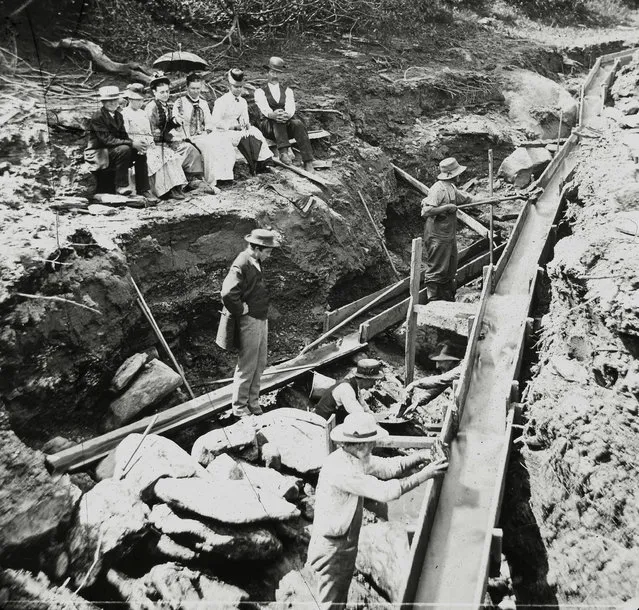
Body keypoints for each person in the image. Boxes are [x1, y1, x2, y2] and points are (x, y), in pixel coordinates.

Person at [307, 412, 449, 609]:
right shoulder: (341, 469)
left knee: (339, 599)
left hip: (345, 542)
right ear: (359, 444)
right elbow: (385, 492)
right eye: (371, 442)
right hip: (332, 548)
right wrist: (424, 475)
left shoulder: (356, 458)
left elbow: (389, 467)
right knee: (330, 604)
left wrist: (421, 456)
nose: (374, 445)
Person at [221, 229, 280, 418]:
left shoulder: (256, 261)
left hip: (261, 319)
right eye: (267, 251)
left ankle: (253, 402)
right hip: (250, 321)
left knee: (260, 362)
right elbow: (227, 293)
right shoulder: (242, 263)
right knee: (247, 364)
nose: (269, 255)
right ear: (256, 248)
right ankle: (239, 407)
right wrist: (241, 309)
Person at [421, 157, 475, 301]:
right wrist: (446, 207)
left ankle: (446, 297)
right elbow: (426, 211)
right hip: (437, 235)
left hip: (448, 234)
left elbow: (466, 199)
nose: (460, 176)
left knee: (450, 267)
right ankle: (432, 299)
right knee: (437, 266)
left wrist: (490, 198)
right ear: (451, 175)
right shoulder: (437, 189)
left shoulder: (451, 187)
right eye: (458, 174)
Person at [121, 85, 186, 201]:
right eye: (137, 100)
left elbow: (148, 131)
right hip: (135, 145)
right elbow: (124, 134)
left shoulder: (142, 113)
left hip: (148, 144)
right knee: (156, 158)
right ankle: (163, 190)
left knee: (169, 155)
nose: (140, 102)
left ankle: (174, 187)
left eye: (141, 100)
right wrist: (136, 142)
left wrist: (151, 142)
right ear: (130, 100)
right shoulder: (125, 113)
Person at [145, 73, 207, 193]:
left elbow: (168, 123)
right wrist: (167, 137)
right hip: (156, 143)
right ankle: (174, 186)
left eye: (167, 91)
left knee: (190, 148)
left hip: (168, 140)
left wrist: (175, 121)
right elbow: (151, 129)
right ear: (154, 92)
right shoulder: (151, 107)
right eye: (162, 92)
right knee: (169, 156)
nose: (165, 95)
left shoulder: (167, 106)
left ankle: (192, 179)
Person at [87, 85, 151, 198]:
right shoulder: (98, 117)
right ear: (103, 102)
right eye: (108, 101)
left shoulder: (118, 116)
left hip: (114, 150)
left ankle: (143, 189)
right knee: (125, 149)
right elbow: (107, 140)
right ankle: (121, 186)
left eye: (114, 100)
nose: (112, 103)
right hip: (99, 152)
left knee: (140, 152)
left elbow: (124, 136)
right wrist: (131, 144)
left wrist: (136, 144)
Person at [173, 72, 235, 189]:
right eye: (193, 88)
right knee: (208, 147)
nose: (196, 91)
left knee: (224, 142)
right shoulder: (180, 102)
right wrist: (178, 117)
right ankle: (210, 181)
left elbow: (209, 122)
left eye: (198, 88)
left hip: (202, 134)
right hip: (187, 135)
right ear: (187, 88)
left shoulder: (203, 103)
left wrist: (207, 130)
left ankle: (225, 176)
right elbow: (175, 122)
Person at [254, 56, 315, 172]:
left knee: (297, 123)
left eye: (278, 73)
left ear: (281, 75)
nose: (275, 76)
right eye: (272, 72)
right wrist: (274, 114)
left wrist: (286, 115)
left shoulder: (287, 91)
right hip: (268, 126)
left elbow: (291, 108)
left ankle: (308, 161)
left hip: (284, 124)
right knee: (278, 119)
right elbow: (264, 109)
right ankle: (283, 153)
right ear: (267, 72)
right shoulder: (260, 92)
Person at [211, 69, 274, 177]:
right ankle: (251, 164)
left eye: (240, 87)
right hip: (223, 130)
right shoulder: (221, 101)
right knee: (240, 137)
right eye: (236, 87)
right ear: (229, 87)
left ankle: (263, 162)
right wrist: (232, 127)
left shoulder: (242, 101)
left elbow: (244, 118)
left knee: (256, 132)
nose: (238, 89)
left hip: (237, 127)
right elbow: (216, 122)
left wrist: (246, 124)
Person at [312, 358, 384, 423]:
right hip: (323, 423)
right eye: (373, 380)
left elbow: (364, 406)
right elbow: (358, 414)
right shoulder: (346, 389)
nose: (374, 383)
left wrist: (374, 418)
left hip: (334, 421)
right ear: (365, 379)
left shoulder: (355, 387)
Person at [402, 341, 463, 417]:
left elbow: (440, 380)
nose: (437, 366)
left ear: (450, 360)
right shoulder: (450, 373)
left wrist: (414, 384)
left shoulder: (461, 369)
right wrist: (417, 402)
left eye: (439, 362)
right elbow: (437, 388)